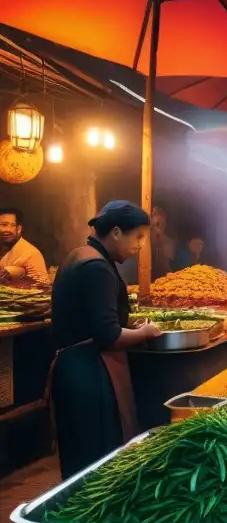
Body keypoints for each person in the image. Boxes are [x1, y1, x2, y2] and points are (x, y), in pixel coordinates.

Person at [49, 201, 163, 479]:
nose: (139, 246)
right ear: (115, 232)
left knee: (79, 454)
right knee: (97, 456)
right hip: (89, 374)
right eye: (137, 236)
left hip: (73, 368)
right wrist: (145, 333)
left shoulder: (80, 255)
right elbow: (108, 335)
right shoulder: (97, 268)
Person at [0, 207, 49, 287]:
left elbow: (44, 286)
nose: (4, 230)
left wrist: (12, 273)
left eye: (9, 225)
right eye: (2, 225)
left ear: (18, 229)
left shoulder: (30, 253)